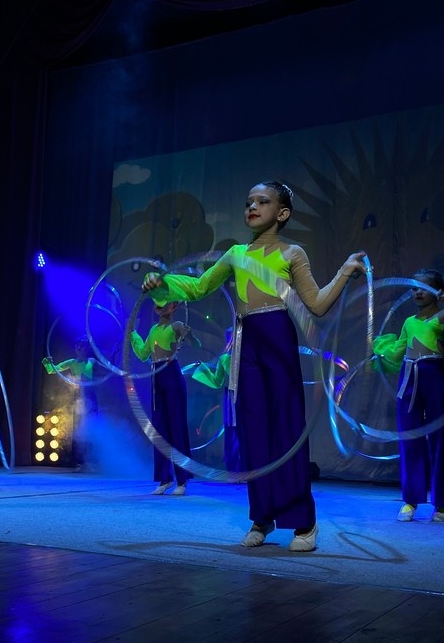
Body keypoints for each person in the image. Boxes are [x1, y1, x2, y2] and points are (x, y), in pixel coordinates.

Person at [142, 180, 367, 549]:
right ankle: (261, 518)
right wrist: (162, 284)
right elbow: (198, 287)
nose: (252, 207)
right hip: (246, 344)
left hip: (277, 336)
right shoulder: (236, 254)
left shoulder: (292, 253)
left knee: (287, 428)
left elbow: (317, 304)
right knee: (254, 430)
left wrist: (344, 271)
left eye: (263, 201)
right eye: (249, 201)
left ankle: (303, 522)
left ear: (282, 213)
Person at [372, 269, 444, 522]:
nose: (417, 292)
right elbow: (399, 350)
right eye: (414, 288)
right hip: (408, 379)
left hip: (434, 377)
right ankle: (410, 501)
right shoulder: (409, 321)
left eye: (424, 288)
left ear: (437, 291)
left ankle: (441, 505)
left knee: (439, 439)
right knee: (409, 438)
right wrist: (382, 352)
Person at [130, 300, 196, 495]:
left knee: (177, 427)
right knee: (159, 429)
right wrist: (133, 334)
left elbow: (195, 343)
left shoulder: (176, 325)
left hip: (171, 374)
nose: (160, 308)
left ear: (173, 307)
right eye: (158, 305)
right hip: (155, 376)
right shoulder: (153, 330)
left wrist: (189, 335)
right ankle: (164, 478)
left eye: (165, 304)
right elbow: (143, 354)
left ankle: (182, 480)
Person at [42, 335, 105, 470]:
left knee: (91, 428)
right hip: (78, 398)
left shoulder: (92, 361)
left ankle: (93, 461)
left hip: (90, 397)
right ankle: (78, 462)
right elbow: (52, 370)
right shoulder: (72, 362)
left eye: (81, 346)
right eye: (77, 346)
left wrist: (115, 357)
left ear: (86, 348)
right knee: (78, 430)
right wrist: (48, 362)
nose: (78, 348)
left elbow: (107, 370)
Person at [190, 326, 240, 472]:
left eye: (233, 337)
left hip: (247, 395)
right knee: (232, 430)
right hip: (231, 396)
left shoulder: (247, 356)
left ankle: (246, 468)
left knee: (245, 431)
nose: (231, 341)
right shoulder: (224, 359)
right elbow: (217, 382)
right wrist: (203, 369)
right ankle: (234, 469)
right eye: (229, 338)